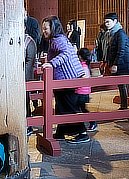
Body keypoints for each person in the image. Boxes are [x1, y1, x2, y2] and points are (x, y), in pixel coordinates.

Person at [42, 16, 90, 144]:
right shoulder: (56, 39)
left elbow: (67, 53)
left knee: (68, 106)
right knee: (62, 106)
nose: (44, 31)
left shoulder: (58, 39)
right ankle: (60, 132)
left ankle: (82, 133)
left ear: (53, 28)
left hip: (66, 78)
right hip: (64, 77)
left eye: (46, 28)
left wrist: (51, 64)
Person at [103, 12, 129, 110]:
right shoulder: (110, 33)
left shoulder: (120, 33)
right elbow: (109, 50)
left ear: (115, 21)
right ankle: (123, 107)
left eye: (108, 22)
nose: (106, 24)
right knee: (121, 85)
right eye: (105, 22)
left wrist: (115, 64)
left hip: (127, 64)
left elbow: (121, 50)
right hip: (120, 64)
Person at [76, 48, 98, 132]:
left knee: (82, 109)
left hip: (81, 91)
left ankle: (92, 122)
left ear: (80, 57)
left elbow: (80, 77)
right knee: (81, 108)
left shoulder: (83, 67)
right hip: (83, 91)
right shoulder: (85, 65)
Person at [25, 33, 37, 135]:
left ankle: (29, 125)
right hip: (14, 77)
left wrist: (23, 78)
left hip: (24, 77)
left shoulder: (29, 41)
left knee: (25, 101)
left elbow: (29, 62)